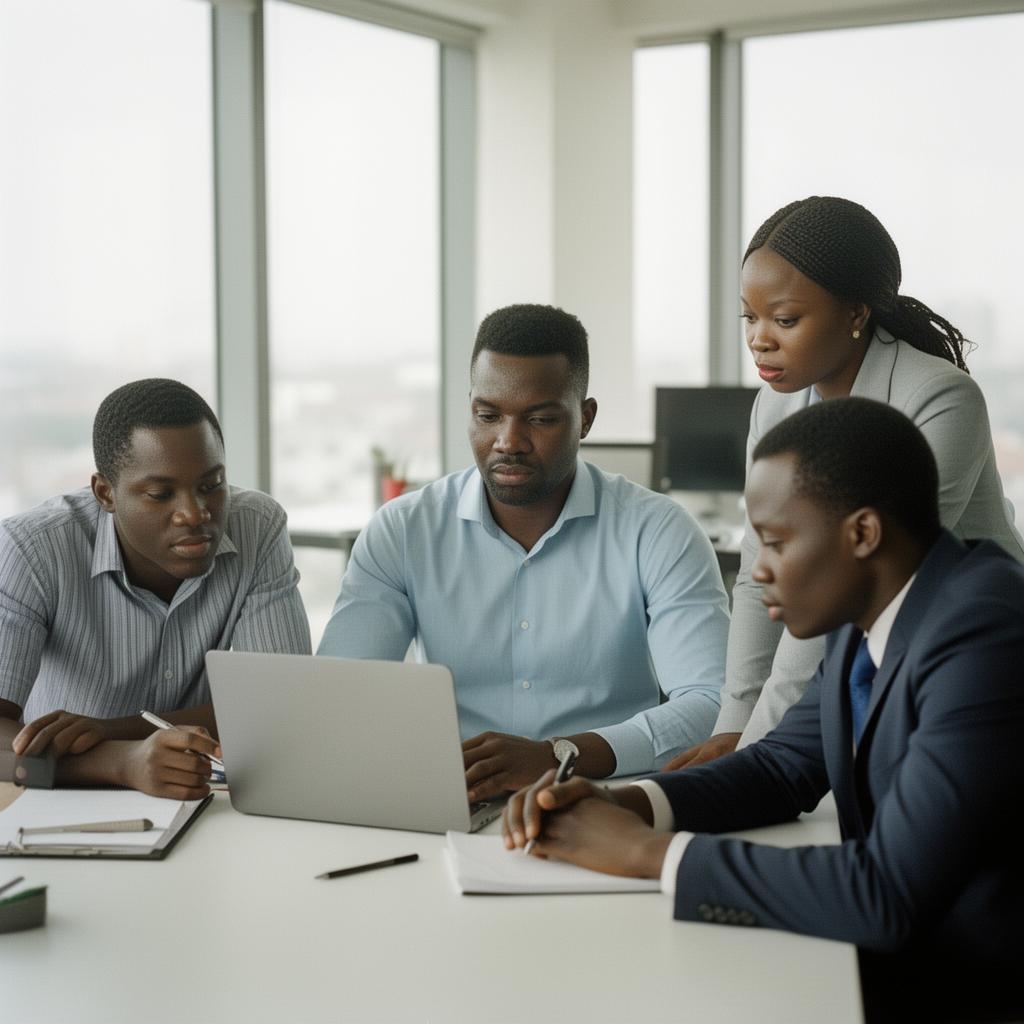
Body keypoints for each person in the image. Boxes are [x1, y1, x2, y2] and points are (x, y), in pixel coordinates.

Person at [502, 397, 1024, 1021]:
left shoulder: (983, 633)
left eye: (775, 543)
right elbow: (782, 765)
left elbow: (887, 894)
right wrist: (621, 802)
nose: (760, 573)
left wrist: (646, 852)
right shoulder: (876, 608)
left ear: (862, 534)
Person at [318, 304, 729, 799]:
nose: (508, 442)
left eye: (539, 418)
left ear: (586, 418)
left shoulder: (657, 530)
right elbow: (340, 696)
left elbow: (710, 703)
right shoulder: (404, 530)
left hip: (606, 801)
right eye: (488, 415)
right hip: (451, 800)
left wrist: (560, 755)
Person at [672, 195, 1024, 768]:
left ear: (856, 314)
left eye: (784, 319)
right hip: (860, 657)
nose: (759, 338)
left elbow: (850, 579)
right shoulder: (773, 407)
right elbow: (763, 578)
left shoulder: (939, 396)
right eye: (749, 316)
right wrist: (733, 725)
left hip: (963, 658)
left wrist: (755, 752)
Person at [0, 378, 311, 798]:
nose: (194, 513)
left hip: (201, 793)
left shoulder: (258, 526)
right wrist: (121, 761)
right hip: (62, 799)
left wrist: (110, 731)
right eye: (160, 494)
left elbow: (283, 703)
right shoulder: (32, 549)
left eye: (211, 485)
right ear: (105, 493)